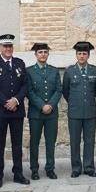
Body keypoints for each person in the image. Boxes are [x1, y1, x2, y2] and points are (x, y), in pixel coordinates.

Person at [0, 34, 30, 187]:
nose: (8, 49)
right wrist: (6, 102)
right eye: (5, 46)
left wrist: (16, 100)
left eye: (10, 46)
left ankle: (18, 173)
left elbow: (25, 85)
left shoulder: (19, 63)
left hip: (16, 110)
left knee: (17, 144)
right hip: (0, 111)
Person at [63, 41, 96, 178]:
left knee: (89, 140)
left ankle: (89, 167)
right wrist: (74, 103)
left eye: (84, 53)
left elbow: (95, 90)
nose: (82, 56)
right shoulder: (69, 71)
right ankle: (76, 168)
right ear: (76, 55)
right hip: (75, 112)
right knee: (75, 141)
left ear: (88, 55)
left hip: (90, 112)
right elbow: (66, 91)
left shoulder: (95, 71)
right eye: (79, 54)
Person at [26, 43, 63, 180]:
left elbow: (59, 90)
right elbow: (29, 91)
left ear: (48, 54)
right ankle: (34, 169)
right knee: (34, 142)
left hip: (51, 113)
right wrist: (42, 105)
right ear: (35, 54)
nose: (43, 54)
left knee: (50, 142)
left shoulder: (54, 71)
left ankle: (50, 168)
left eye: (45, 52)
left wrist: (50, 105)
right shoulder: (29, 71)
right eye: (40, 52)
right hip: (36, 113)